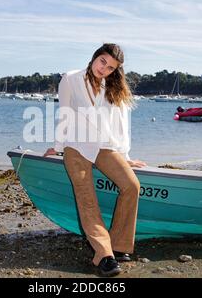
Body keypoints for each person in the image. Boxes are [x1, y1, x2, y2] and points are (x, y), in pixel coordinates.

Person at [44, 43, 146, 277]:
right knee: (87, 199)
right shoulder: (70, 79)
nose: (105, 69)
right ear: (94, 57)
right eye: (103, 62)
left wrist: (125, 156)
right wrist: (58, 147)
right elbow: (65, 114)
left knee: (132, 186)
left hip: (105, 147)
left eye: (111, 67)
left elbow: (121, 125)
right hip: (76, 146)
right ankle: (105, 255)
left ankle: (119, 246)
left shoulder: (113, 87)